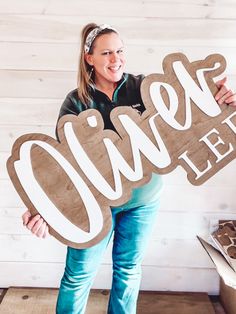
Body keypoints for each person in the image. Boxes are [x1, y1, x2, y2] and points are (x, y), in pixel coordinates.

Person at [22, 23, 236, 314]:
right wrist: (42, 210)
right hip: (96, 207)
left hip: (142, 202)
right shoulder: (76, 102)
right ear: (89, 59)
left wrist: (219, 99)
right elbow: (61, 167)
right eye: (107, 52)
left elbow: (190, 111)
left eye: (120, 51)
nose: (116, 59)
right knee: (78, 275)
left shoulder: (144, 86)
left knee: (128, 270)